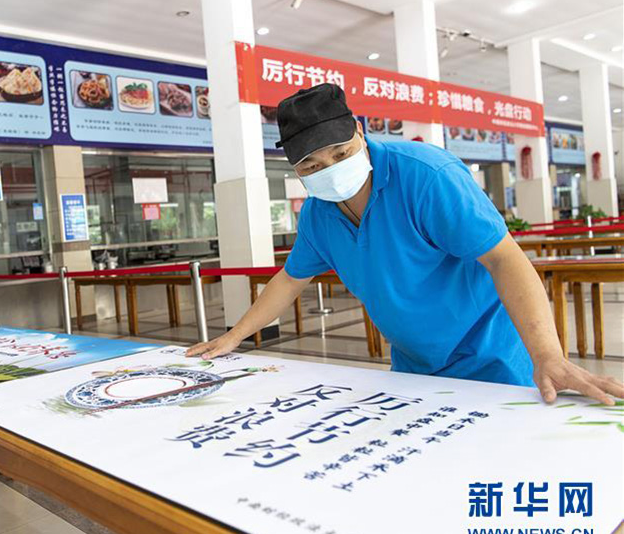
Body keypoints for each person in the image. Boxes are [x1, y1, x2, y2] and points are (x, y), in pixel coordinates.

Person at [188, 83, 624, 406]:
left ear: (360, 133)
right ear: (297, 171)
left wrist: (548, 355)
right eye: (312, 166)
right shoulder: (319, 215)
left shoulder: (426, 177)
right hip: (414, 368)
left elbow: (504, 258)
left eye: (340, 153)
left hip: (490, 357)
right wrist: (236, 335)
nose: (331, 169)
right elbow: (290, 279)